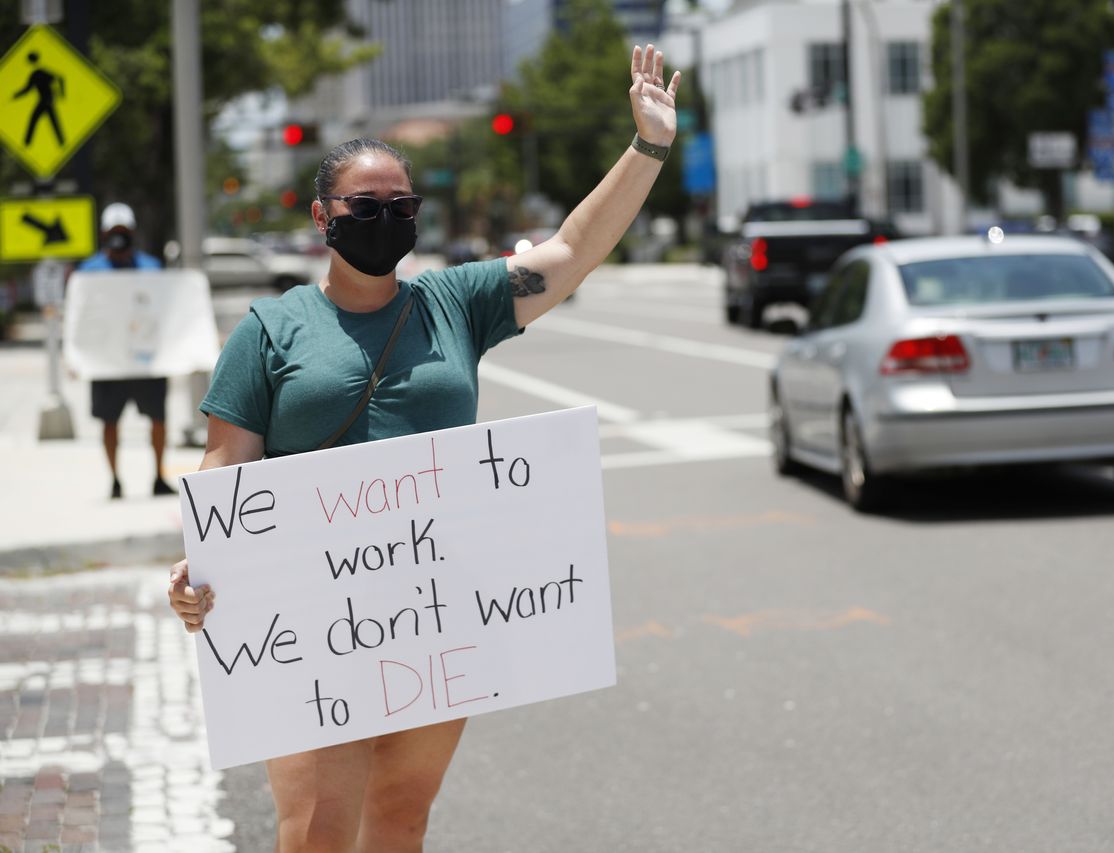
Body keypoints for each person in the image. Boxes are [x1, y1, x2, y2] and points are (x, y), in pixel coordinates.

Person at [168, 44, 679, 851]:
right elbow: (225, 464)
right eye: (363, 207)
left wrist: (647, 146)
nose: (384, 220)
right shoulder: (270, 330)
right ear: (322, 218)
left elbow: (573, 250)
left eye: (399, 205)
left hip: (435, 615)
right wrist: (203, 566)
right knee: (315, 833)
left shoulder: (460, 301)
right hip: (310, 620)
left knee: (402, 819)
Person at [79, 202, 177, 499]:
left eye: (123, 232)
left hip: (145, 361)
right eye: (113, 232)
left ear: (131, 233)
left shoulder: (151, 267)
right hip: (109, 363)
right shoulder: (89, 272)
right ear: (104, 234)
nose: (118, 237)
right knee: (110, 422)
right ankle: (115, 480)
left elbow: (165, 310)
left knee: (157, 418)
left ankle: (158, 477)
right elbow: (81, 319)